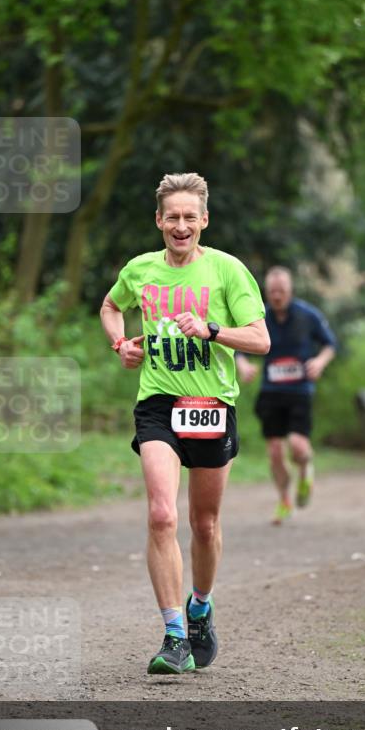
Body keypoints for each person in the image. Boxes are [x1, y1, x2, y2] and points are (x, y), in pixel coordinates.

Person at [100, 173, 269, 675]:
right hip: (157, 402)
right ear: (158, 220)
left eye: (189, 217)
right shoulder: (140, 270)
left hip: (211, 404)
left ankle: (200, 606)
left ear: (204, 221)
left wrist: (213, 330)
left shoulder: (227, 271)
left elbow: (260, 341)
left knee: (205, 523)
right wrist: (121, 344)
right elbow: (111, 306)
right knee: (160, 516)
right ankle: (174, 634)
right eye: (171, 216)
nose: (180, 225)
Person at [236, 266, 336, 524]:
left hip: (299, 390)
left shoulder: (307, 315)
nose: (277, 296)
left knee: (299, 447)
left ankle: (305, 471)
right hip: (271, 391)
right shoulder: (259, 316)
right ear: (266, 292)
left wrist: (320, 363)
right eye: (272, 291)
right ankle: (284, 499)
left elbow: (330, 344)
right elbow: (238, 346)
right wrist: (244, 365)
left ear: (290, 290)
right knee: (275, 452)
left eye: (281, 291)